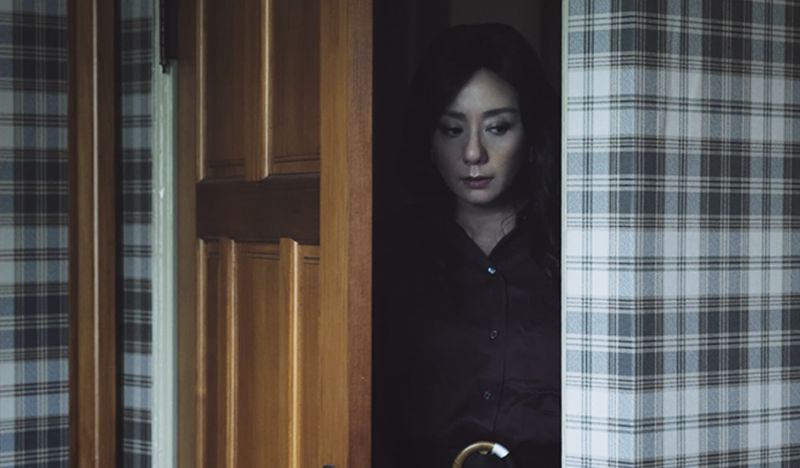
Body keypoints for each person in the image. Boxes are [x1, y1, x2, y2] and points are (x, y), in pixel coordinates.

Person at [373, 23, 561, 468]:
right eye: (452, 129)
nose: (474, 153)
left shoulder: (581, 249)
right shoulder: (387, 253)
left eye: (497, 127)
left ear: (531, 132)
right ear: (428, 136)